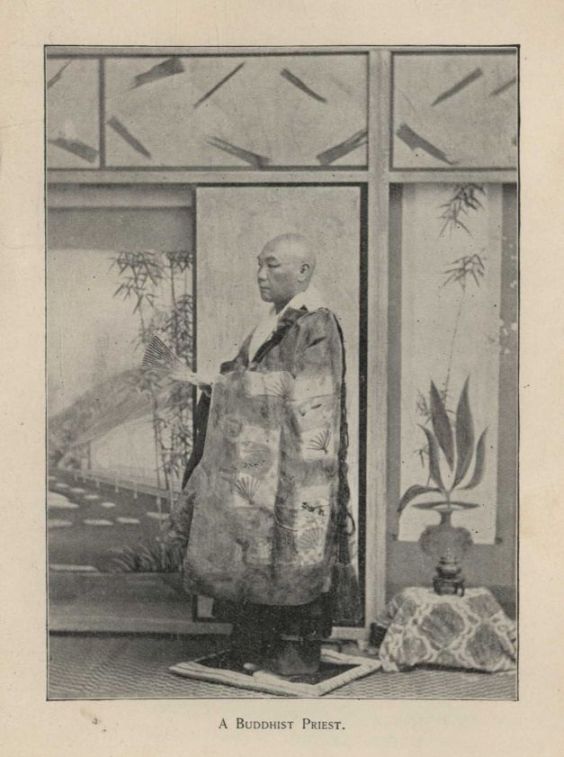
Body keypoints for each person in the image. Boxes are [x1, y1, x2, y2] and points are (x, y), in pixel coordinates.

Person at [164, 233, 359, 674]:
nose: (260, 275)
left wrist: (221, 384)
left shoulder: (317, 323)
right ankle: (253, 645)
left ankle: (293, 654)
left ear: (303, 272)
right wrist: (216, 382)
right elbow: (241, 371)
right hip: (258, 457)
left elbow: (308, 391)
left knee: (294, 548)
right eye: (259, 264)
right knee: (252, 546)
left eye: (272, 265)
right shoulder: (271, 322)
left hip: (299, 461)